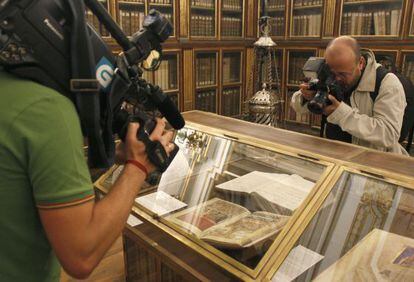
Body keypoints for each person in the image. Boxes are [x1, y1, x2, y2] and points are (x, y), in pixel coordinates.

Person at [0, 67, 175, 281]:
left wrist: (110, 159)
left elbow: (27, 179)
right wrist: (138, 166)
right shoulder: (45, 107)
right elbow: (82, 255)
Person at [291, 36, 408, 155]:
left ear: (360, 63)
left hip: (372, 159)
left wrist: (340, 113)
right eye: (332, 73)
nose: (336, 79)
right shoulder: (332, 69)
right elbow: (298, 107)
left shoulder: (387, 83)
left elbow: (388, 135)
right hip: (333, 151)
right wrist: (306, 96)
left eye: (343, 74)